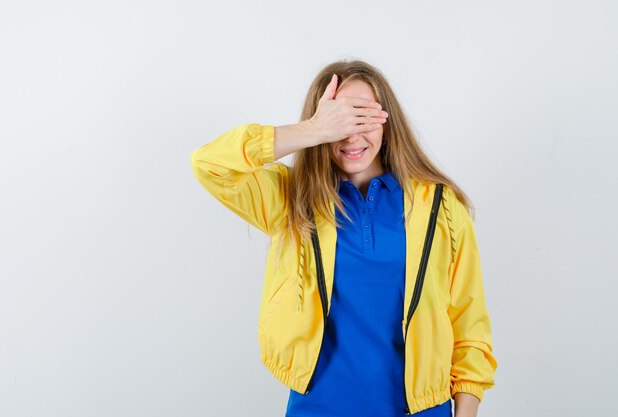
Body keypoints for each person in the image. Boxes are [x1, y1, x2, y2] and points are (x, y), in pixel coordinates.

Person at [189, 60, 497, 417]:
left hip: (421, 410)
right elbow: (209, 164)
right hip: (318, 408)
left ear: (388, 123)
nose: (352, 136)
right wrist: (312, 130)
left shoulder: (441, 207)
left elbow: (469, 325)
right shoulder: (290, 199)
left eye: (363, 118)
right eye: (340, 120)